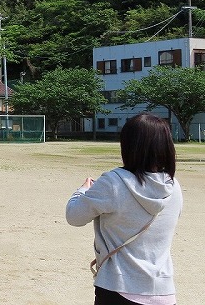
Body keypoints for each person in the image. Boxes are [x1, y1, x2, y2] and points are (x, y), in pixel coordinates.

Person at [66, 113, 183, 305]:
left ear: (128, 145)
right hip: (164, 293)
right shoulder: (173, 186)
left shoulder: (114, 182)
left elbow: (74, 216)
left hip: (118, 288)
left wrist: (82, 190)